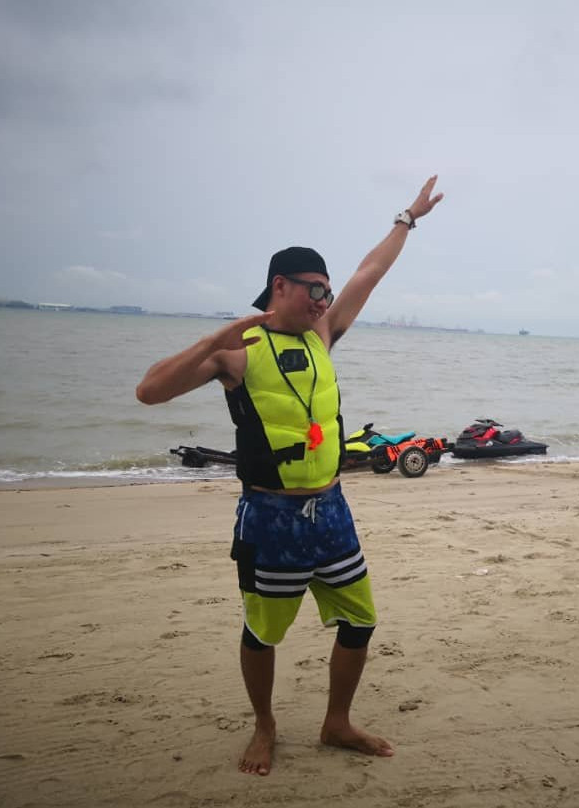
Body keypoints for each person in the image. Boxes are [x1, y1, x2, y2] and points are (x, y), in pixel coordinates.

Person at [135, 175, 443, 776]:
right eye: (315, 290)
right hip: (270, 519)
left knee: (360, 621)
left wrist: (408, 217)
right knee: (263, 632)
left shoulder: (323, 334)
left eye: (327, 292)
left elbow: (369, 272)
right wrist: (211, 339)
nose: (325, 301)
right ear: (281, 286)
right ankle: (265, 726)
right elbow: (149, 391)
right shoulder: (237, 352)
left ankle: (336, 723)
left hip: (331, 511)